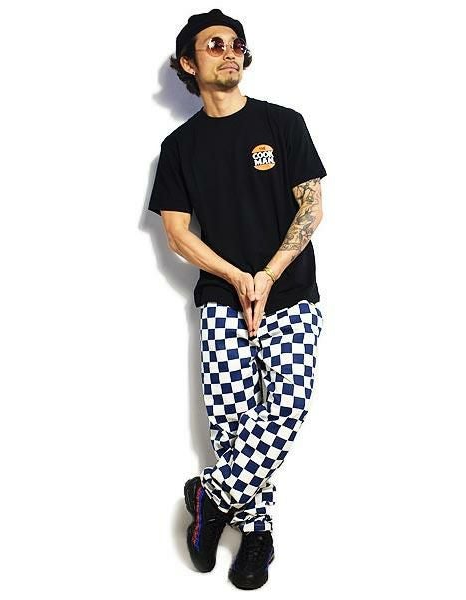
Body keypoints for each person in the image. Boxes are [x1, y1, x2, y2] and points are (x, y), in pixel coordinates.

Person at [148, 8, 327, 590]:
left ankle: (210, 495)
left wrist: (268, 275)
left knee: (286, 407)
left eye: (236, 44)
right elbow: (177, 234)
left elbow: (311, 208)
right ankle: (257, 534)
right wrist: (238, 277)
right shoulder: (179, 146)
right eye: (214, 45)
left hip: (291, 294)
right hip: (221, 302)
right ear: (187, 63)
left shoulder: (283, 123)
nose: (230, 52)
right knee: (232, 426)